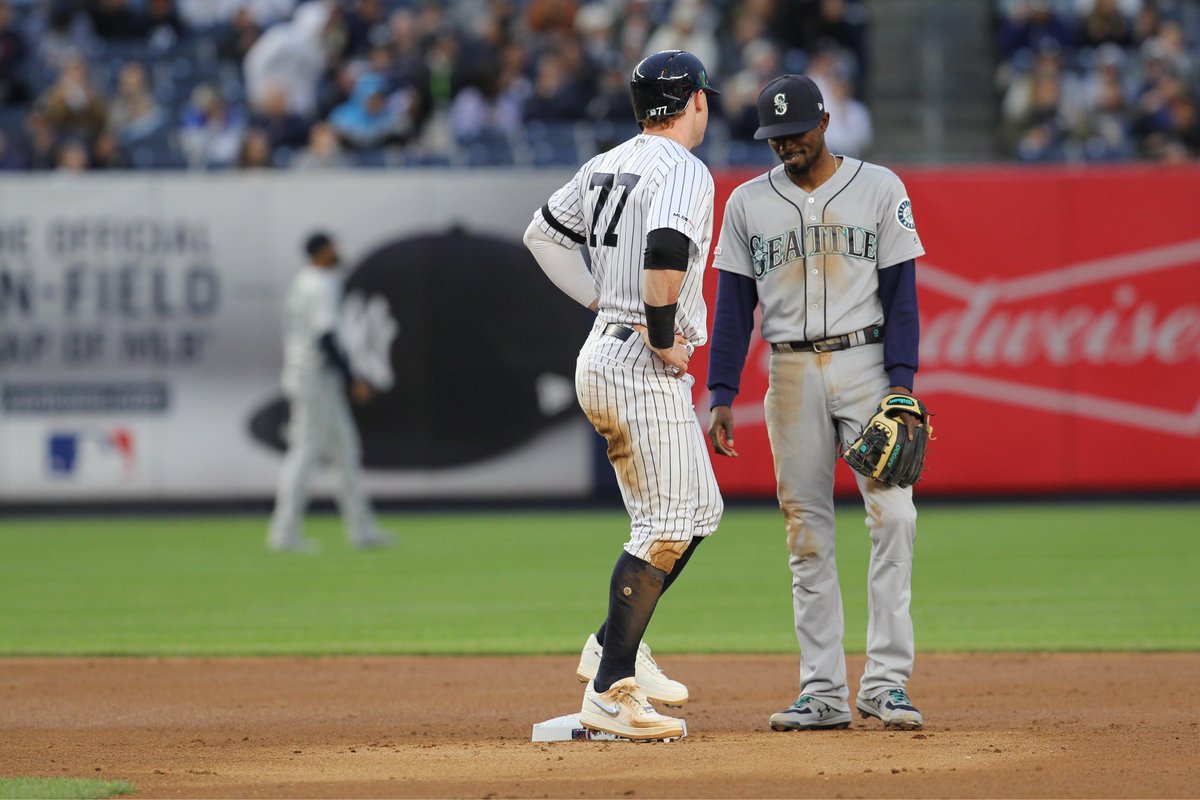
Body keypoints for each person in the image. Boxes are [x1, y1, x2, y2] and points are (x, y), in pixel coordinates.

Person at [706, 74, 926, 732]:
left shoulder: (881, 187)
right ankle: (823, 691)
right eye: (774, 137)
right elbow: (734, 307)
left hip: (865, 362)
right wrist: (722, 393)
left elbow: (903, 295)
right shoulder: (747, 202)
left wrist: (902, 385)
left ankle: (886, 684)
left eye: (796, 132)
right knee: (806, 534)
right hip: (791, 370)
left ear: (825, 122)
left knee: (896, 518)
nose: (786, 146)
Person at [522, 50, 723, 741]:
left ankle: (614, 645)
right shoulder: (683, 169)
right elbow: (666, 251)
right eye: (705, 98)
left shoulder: (606, 161)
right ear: (694, 101)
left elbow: (541, 236)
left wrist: (598, 301)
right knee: (666, 527)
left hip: (608, 348)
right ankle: (609, 692)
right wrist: (660, 331)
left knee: (696, 512)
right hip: (640, 357)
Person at [267, 232, 392, 553]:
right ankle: (284, 531)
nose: (338, 251)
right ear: (321, 252)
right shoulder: (321, 284)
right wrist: (353, 378)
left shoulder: (305, 281)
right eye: (332, 246)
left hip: (315, 376)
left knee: (346, 451)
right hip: (315, 377)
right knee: (305, 452)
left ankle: (361, 528)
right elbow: (326, 338)